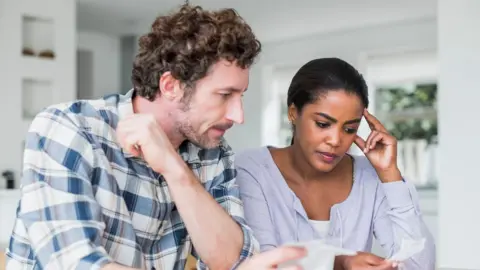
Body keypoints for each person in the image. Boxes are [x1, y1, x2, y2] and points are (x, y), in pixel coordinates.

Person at [5, 4, 264, 270]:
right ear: (171, 86)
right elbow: (75, 263)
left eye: (240, 96)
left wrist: (173, 168)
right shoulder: (70, 127)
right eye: (224, 95)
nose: (238, 115)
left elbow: (235, 262)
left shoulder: (214, 152)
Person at [236, 58, 436, 270]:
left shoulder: (370, 177)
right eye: (323, 124)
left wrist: (390, 175)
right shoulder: (251, 170)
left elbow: (420, 266)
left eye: (349, 129)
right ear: (293, 113)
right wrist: (338, 263)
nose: (335, 140)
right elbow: (260, 263)